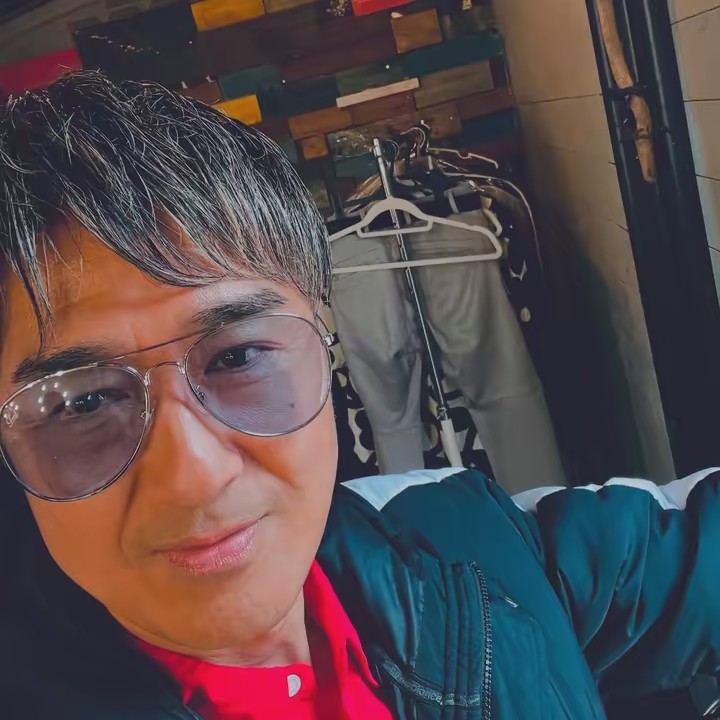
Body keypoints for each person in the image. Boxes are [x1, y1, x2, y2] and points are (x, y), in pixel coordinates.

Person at [0, 71, 718, 720]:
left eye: (239, 357)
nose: (195, 475)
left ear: (325, 340)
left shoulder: (473, 552)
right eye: (82, 402)